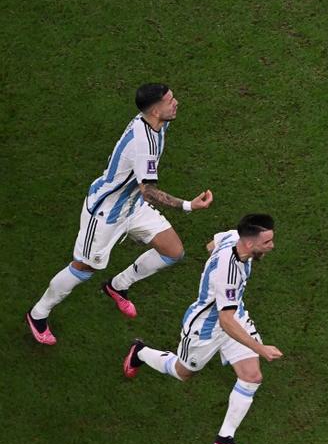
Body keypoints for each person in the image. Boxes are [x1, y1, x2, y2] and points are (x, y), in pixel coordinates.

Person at [25, 84, 212, 345]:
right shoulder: (143, 143)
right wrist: (188, 206)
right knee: (84, 267)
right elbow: (148, 191)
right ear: (156, 109)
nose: (176, 102)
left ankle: (117, 285)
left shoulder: (157, 123)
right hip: (106, 214)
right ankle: (38, 313)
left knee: (173, 251)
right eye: (170, 101)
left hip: (132, 206)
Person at [123, 214, 282, 444]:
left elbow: (212, 244)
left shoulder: (233, 236)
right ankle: (140, 352)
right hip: (205, 329)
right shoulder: (228, 273)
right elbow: (226, 322)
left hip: (233, 315)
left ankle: (225, 439)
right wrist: (260, 348)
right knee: (182, 372)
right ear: (250, 244)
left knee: (252, 376)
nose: (272, 246)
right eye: (268, 242)